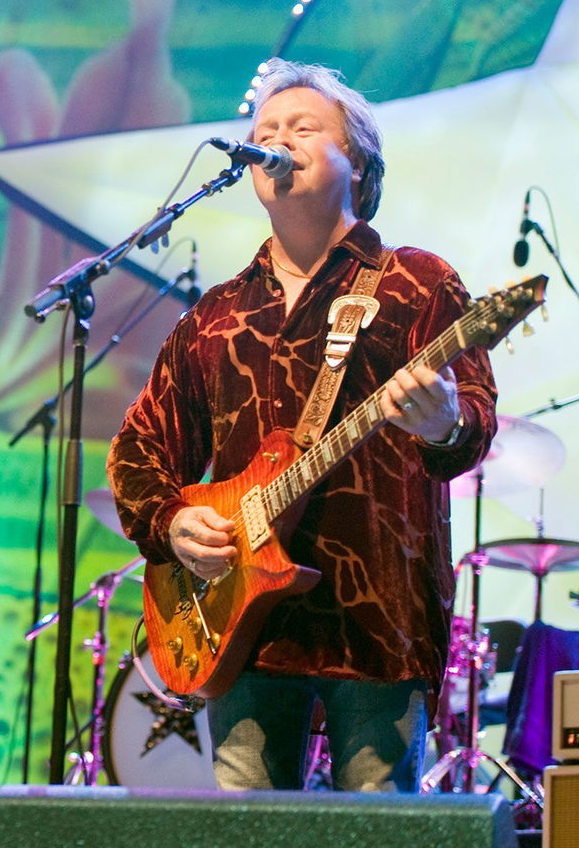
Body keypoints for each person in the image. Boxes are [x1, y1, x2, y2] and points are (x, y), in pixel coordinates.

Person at [106, 59, 497, 792]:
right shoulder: (216, 314)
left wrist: (447, 421)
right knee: (247, 830)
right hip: (243, 623)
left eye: (302, 128)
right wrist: (172, 522)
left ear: (360, 162)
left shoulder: (419, 282)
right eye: (264, 132)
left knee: (372, 832)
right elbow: (138, 448)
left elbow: (472, 416)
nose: (276, 140)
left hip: (376, 613)